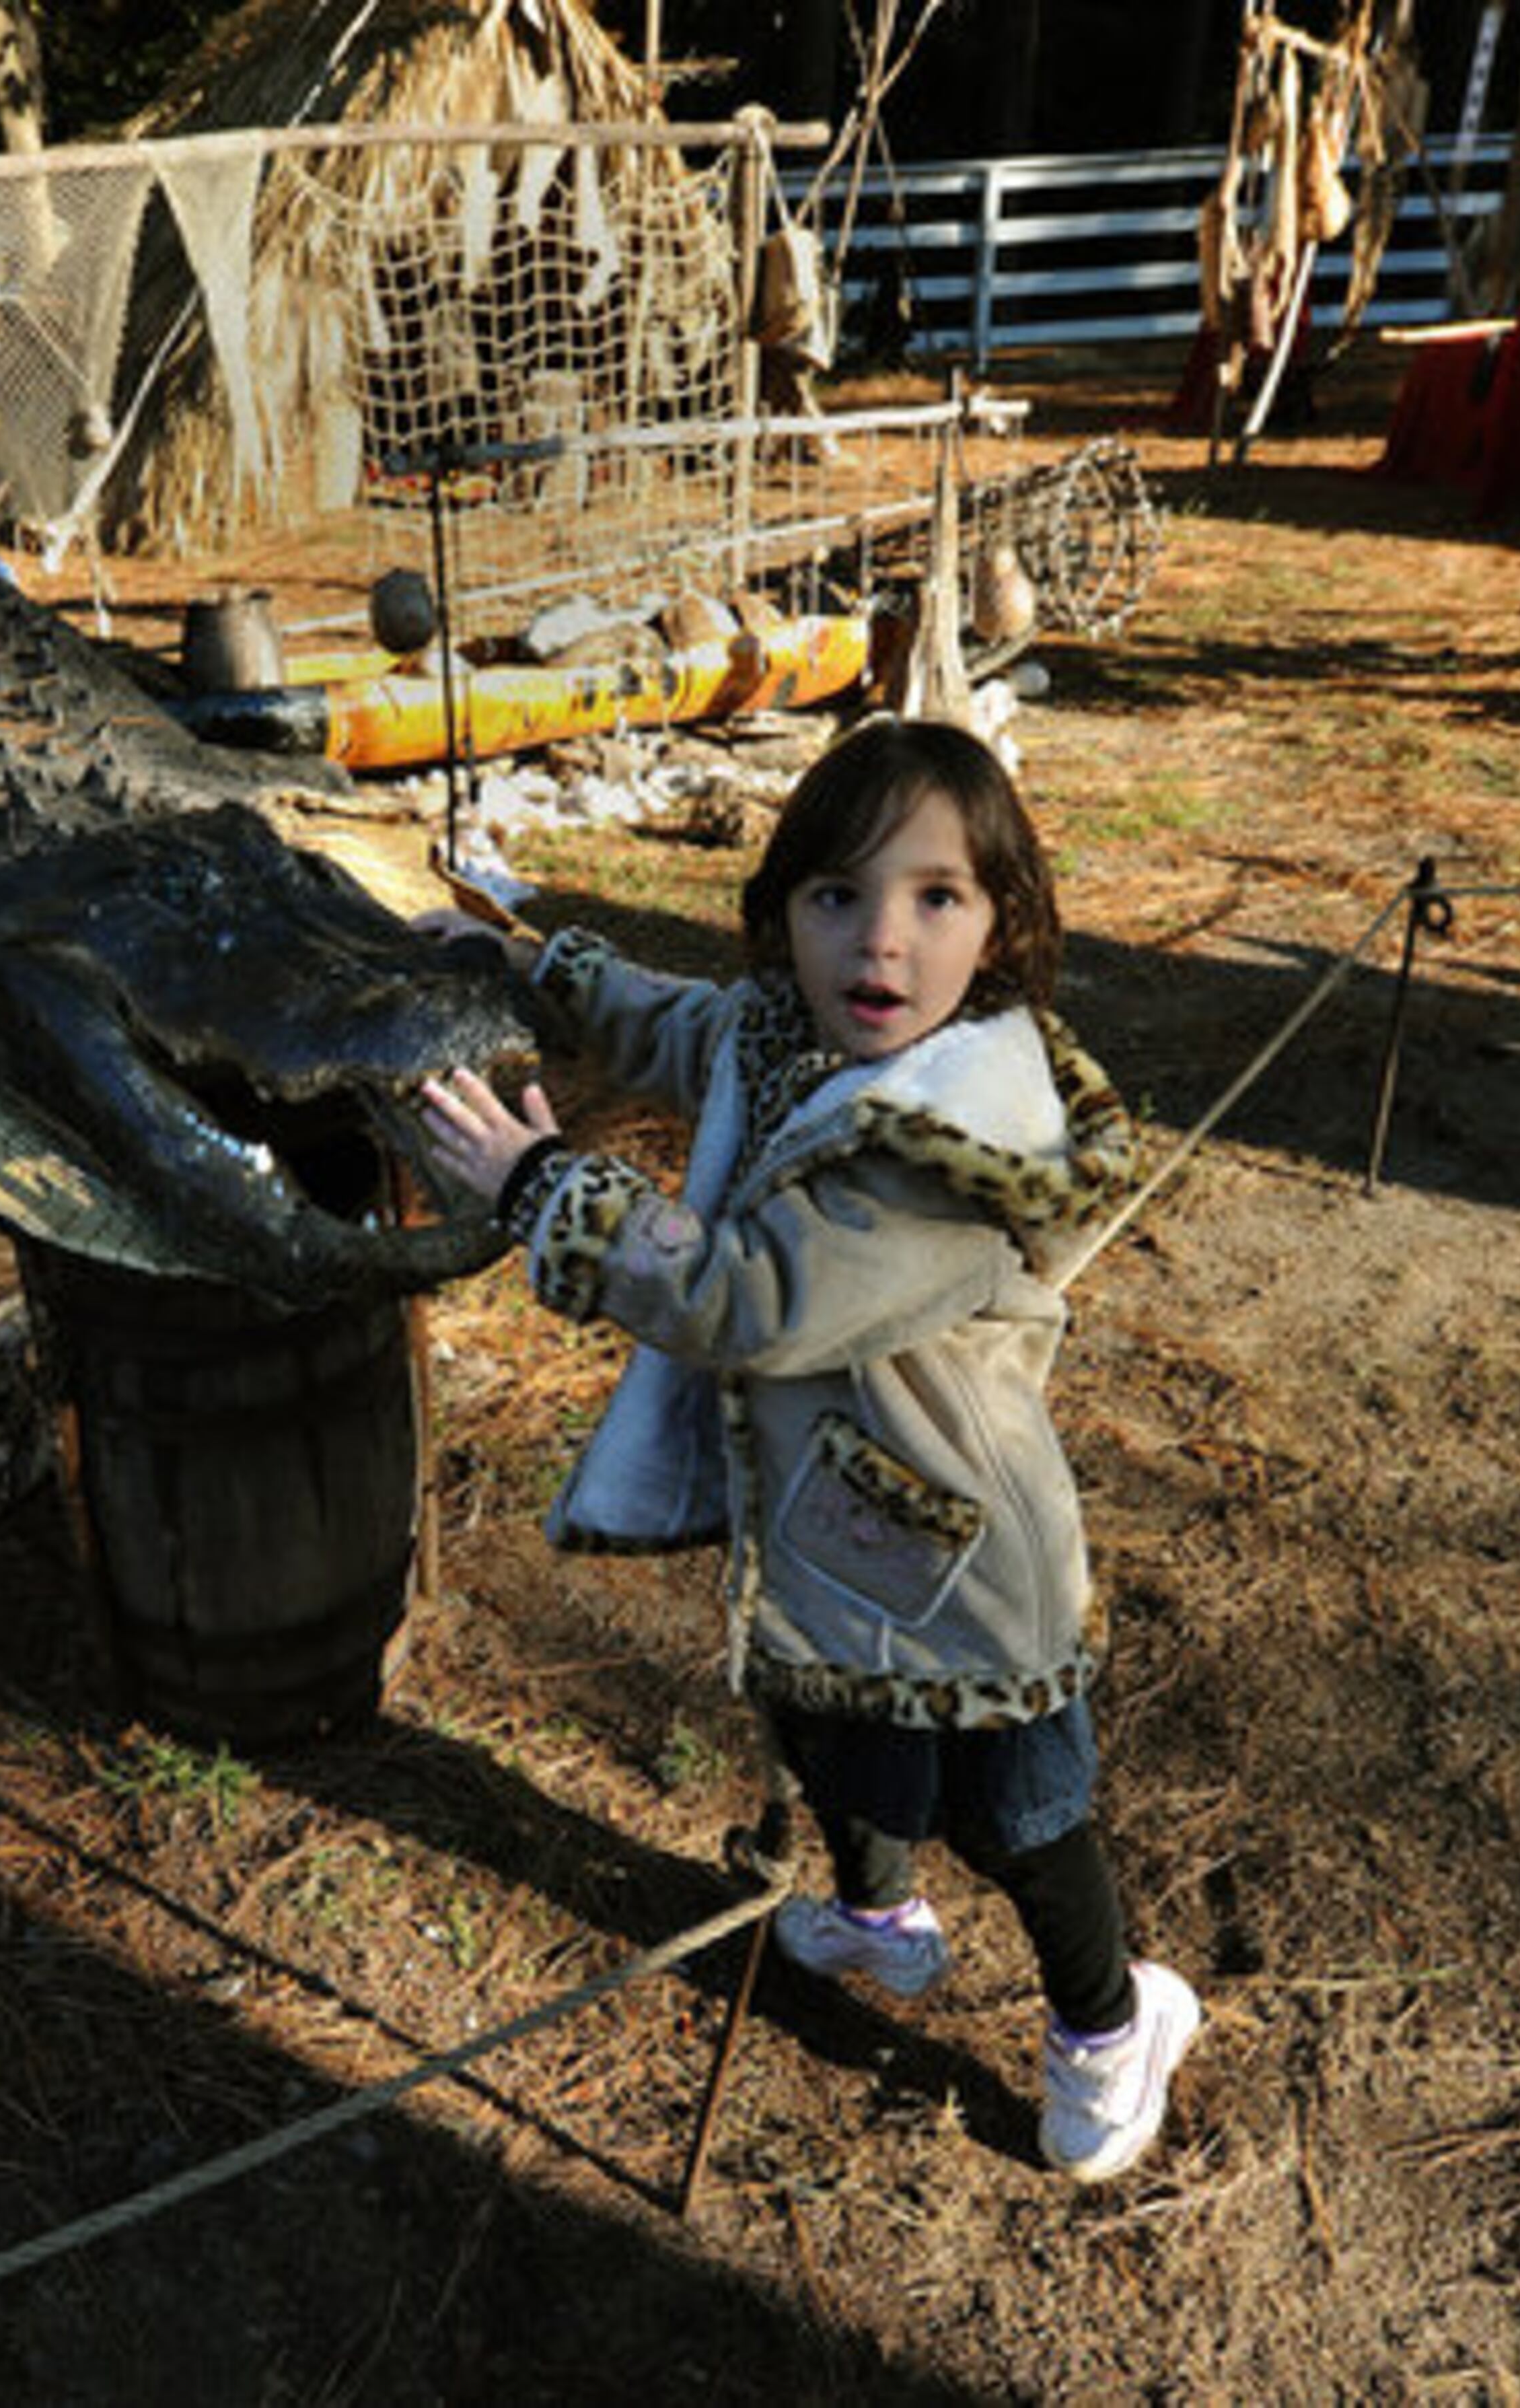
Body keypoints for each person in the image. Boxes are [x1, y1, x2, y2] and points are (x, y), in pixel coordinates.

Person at [417, 715, 1200, 2183]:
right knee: (838, 1737)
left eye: (934, 898)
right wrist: (531, 958)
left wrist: (547, 1191)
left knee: (1017, 1815)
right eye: (837, 896)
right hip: (840, 1533)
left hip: (965, 1569)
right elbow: (681, 1024)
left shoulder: (945, 1158)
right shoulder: (785, 1031)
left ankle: (1107, 2030)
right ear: (782, 917)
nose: (879, 942)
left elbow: (748, 1300)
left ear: (1004, 928)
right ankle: (877, 1915)